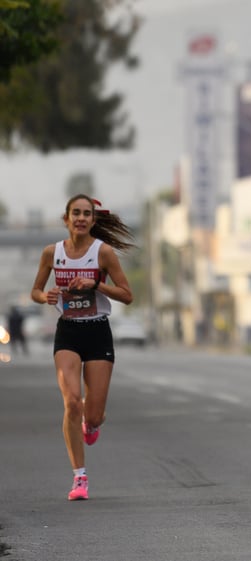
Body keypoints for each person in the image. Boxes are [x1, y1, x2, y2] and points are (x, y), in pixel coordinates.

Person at [30, 195, 135, 501]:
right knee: (72, 402)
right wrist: (44, 297)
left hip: (98, 332)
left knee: (94, 413)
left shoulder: (104, 253)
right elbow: (35, 291)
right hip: (68, 332)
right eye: (75, 213)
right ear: (66, 218)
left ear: (92, 220)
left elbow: (127, 295)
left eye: (86, 214)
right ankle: (80, 478)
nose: (80, 218)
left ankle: (93, 422)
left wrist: (96, 285)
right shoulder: (52, 253)